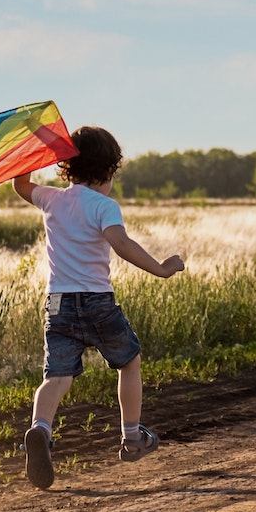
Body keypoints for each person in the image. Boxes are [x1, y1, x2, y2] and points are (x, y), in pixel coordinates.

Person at [13, 125, 183, 490]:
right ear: (108, 170)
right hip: (96, 302)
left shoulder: (52, 200)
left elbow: (20, 185)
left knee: (56, 377)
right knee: (129, 362)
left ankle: (40, 429)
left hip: (58, 304)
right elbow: (121, 244)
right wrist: (162, 269)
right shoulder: (105, 206)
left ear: (67, 168)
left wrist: (35, 147)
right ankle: (132, 437)